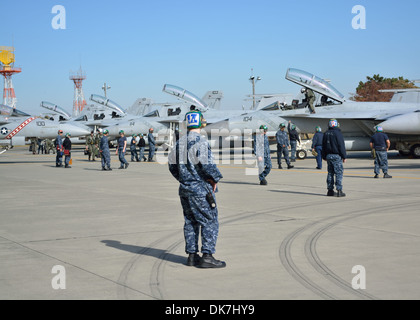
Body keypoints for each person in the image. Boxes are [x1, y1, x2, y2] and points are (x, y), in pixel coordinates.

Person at [168, 110, 225, 268]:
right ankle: (207, 256)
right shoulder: (200, 141)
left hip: (185, 189)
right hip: (200, 190)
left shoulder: (179, 143)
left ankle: (192, 256)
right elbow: (207, 165)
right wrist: (214, 179)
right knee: (209, 221)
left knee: (190, 221)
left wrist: (183, 179)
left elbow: (171, 166)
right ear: (201, 123)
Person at [322, 119, 347, 197]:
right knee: (338, 173)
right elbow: (341, 145)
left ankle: (330, 191)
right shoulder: (338, 133)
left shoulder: (326, 133)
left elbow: (323, 146)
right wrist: (344, 156)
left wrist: (324, 156)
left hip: (328, 156)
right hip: (336, 156)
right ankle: (339, 190)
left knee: (330, 173)